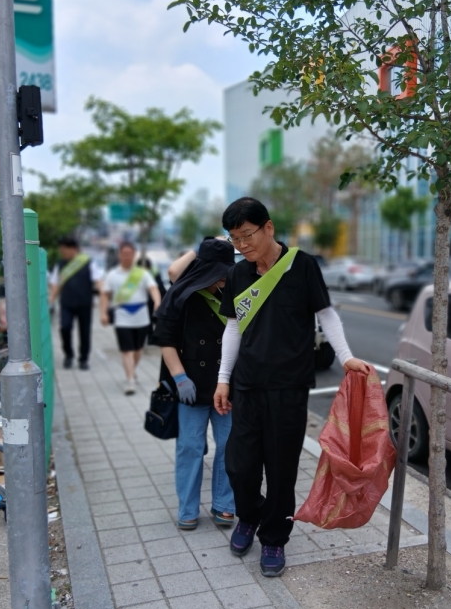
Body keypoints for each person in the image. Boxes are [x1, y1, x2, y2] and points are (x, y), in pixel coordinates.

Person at [214, 197, 370, 578]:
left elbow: (326, 314)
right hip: (247, 385)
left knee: (281, 468)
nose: (241, 245)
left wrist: (346, 357)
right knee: (238, 464)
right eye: (234, 239)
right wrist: (223, 379)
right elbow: (233, 327)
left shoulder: (302, 266)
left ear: (268, 228)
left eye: (246, 235)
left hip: (289, 387)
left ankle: (274, 538)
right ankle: (249, 515)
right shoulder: (238, 274)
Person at [153, 238, 237, 531]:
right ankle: (187, 507)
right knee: (190, 447)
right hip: (191, 385)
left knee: (229, 445)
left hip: (227, 384)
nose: (226, 278)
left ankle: (225, 504)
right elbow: (165, 339)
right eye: (221, 273)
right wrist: (180, 378)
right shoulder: (181, 294)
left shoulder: (234, 293)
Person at [100, 241, 161, 394]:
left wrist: (157, 302)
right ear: (119, 255)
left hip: (141, 316)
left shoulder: (142, 273)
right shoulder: (112, 274)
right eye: (124, 253)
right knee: (127, 350)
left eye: (130, 254)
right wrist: (103, 313)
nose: (127, 256)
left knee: (138, 350)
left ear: (134, 255)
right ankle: (130, 380)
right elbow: (105, 295)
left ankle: (131, 371)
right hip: (122, 316)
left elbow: (153, 288)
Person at [49, 237, 104, 370]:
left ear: (73, 249)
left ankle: (83, 359)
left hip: (85, 303)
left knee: (85, 332)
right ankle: (68, 354)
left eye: (64, 250)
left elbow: (98, 280)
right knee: (65, 327)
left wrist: (104, 296)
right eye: (61, 251)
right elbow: (56, 284)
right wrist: (51, 300)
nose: (63, 253)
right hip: (66, 304)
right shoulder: (60, 265)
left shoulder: (88, 263)